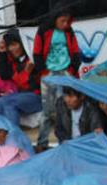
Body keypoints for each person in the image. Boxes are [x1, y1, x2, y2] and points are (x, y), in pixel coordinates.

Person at [32, 11, 81, 149]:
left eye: (67, 21)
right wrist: (44, 71)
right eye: (62, 21)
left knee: (65, 109)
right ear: (55, 19)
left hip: (66, 73)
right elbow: (37, 52)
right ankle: (42, 143)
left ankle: (65, 142)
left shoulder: (69, 31)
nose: (65, 24)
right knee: (47, 111)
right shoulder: (43, 30)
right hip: (49, 74)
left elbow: (76, 51)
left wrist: (71, 70)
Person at [0, 31, 42, 126]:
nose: (11, 49)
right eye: (9, 46)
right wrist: (2, 53)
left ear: (23, 44)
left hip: (38, 97)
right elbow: (4, 75)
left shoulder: (34, 59)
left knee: (9, 103)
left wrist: (27, 73)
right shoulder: (15, 62)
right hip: (20, 96)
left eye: (14, 44)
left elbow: (34, 84)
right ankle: (0, 133)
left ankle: (13, 135)